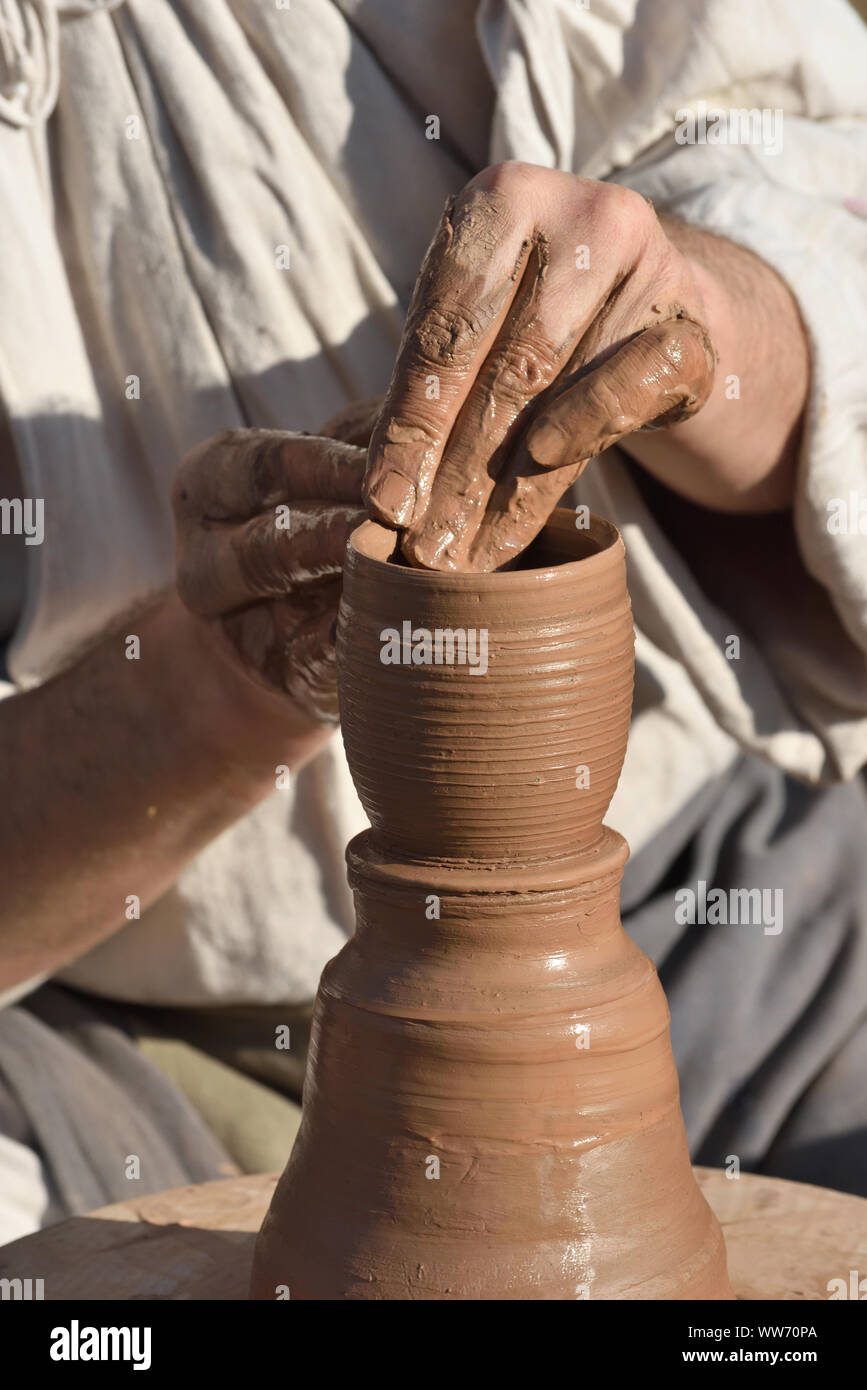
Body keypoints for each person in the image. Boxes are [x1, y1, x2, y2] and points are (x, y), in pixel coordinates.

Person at [0, 0, 865, 1245]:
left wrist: (701, 318)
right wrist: (212, 690)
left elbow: (823, 220)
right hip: (120, 1028)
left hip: (694, 884)